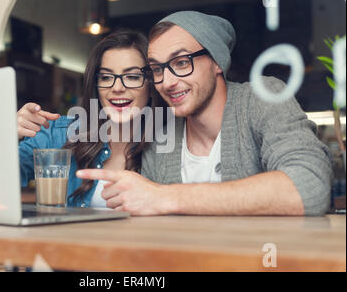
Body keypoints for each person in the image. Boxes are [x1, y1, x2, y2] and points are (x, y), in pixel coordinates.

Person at [77, 11, 332, 216]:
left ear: (217, 62)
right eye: (157, 69)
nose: (167, 82)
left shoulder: (261, 99)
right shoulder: (160, 138)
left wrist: (166, 196)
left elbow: (309, 186)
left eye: (181, 63)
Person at [18, 29, 165, 208]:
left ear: (151, 86)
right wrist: (7, 136)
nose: (117, 87)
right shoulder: (58, 133)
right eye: (106, 77)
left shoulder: (172, 144)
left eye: (132, 76)